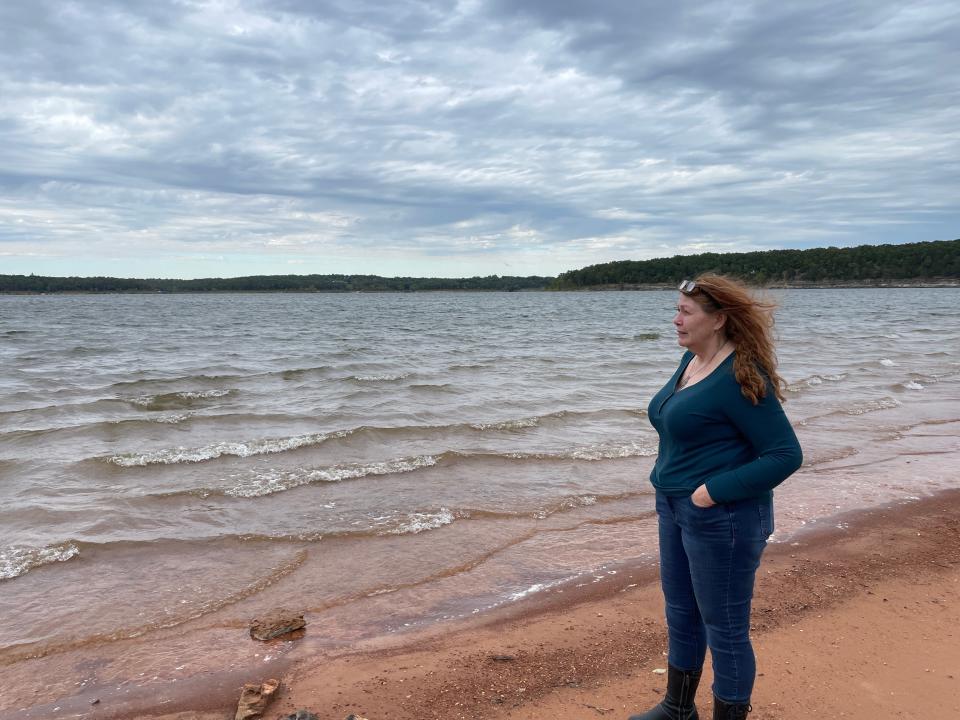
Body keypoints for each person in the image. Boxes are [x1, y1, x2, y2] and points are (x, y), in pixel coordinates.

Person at [631, 274, 803, 720]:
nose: (675, 320)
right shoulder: (692, 362)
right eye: (677, 310)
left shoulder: (740, 376)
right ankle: (677, 708)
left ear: (719, 320)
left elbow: (785, 454)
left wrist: (711, 493)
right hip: (673, 508)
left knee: (725, 629)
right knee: (681, 613)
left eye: (686, 312)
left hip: (724, 518)